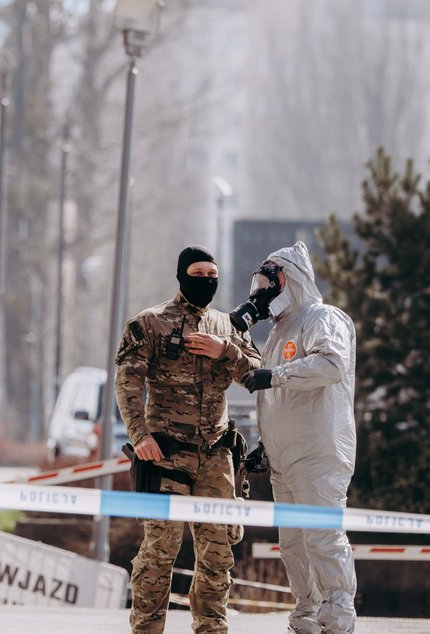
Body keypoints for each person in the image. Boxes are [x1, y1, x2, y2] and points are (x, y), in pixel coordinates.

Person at [115, 245, 262, 633]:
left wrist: (224, 350)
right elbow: (127, 383)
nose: (206, 282)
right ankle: (146, 629)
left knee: (218, 555)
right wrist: (140, 436)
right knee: (160, 551)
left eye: (212, 276)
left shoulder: (227, 327)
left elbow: (257, 375)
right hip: (165, 454)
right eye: (198, 275)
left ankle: (211, 629)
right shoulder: (150, 323)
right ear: (181, 276)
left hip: (216, 457)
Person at [237, 241, 358, 634]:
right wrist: (264, 445)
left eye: (270, 279)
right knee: (292, 544)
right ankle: (306, 612)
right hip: (284, 459)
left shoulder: (323, 317)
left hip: (319, 453)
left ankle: (338, 614)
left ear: (290, 278)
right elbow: (276, 402)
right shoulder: (277, 333)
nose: (264, 289)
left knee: (322, 535)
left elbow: (331, 364)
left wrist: (276, 375)